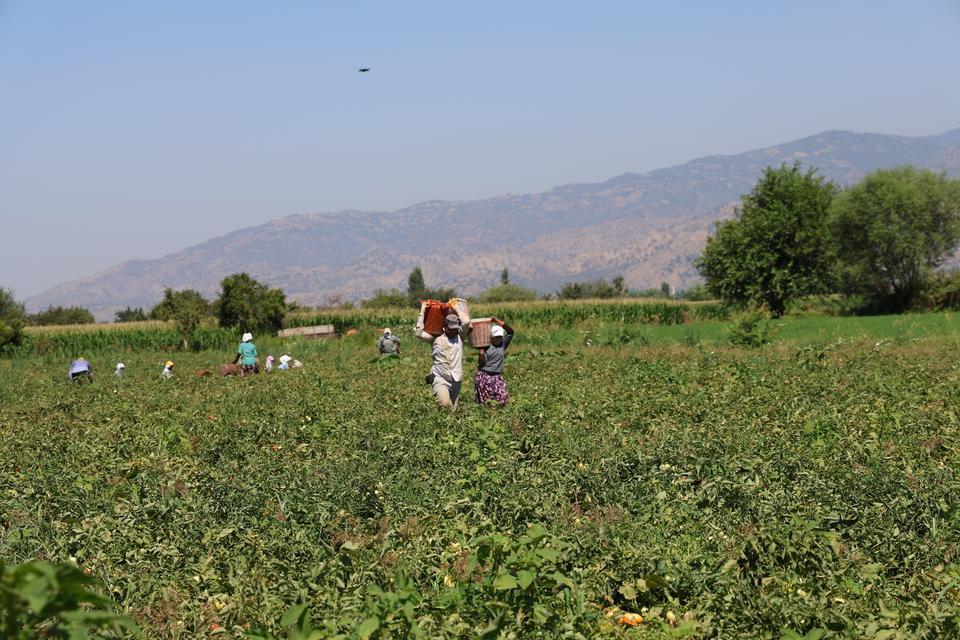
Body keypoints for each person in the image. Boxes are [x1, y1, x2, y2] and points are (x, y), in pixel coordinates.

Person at [415, 302, 471, 410]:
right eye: (451, 328)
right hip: (440, 378)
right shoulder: (435, 338)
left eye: (455, 328)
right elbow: (419, 333)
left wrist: (456, 308)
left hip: (456, 379)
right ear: (445, 326)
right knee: (444, 404)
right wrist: (422, 310)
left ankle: (447, 425)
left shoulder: (460, 336)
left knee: (453, 410)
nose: (454, 330)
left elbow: (467, 321)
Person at [475, 317, 514, 406]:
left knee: (503, 399)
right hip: (484, 376)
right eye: (496, 337)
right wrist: (481, 354)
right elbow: (481, 364)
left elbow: (511, 332)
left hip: (496, 376)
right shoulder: (485, 345)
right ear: (491, 337)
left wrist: (497, 320)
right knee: (486, 403)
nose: (499, 339)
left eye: (500, 337)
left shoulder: (502, 344)